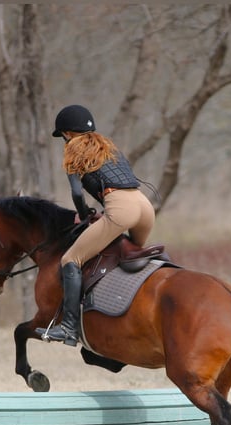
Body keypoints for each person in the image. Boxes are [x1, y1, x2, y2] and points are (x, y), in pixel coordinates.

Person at [36, 104, 156, 346]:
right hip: (144, 206)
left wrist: (82, 214)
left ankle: (69, 328)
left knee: (71, 260)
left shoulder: (73, 148)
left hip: (121, 208)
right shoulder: (109, 147)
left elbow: (77, 194)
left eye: (63, 136)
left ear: (67, 133)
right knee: (129, 256)